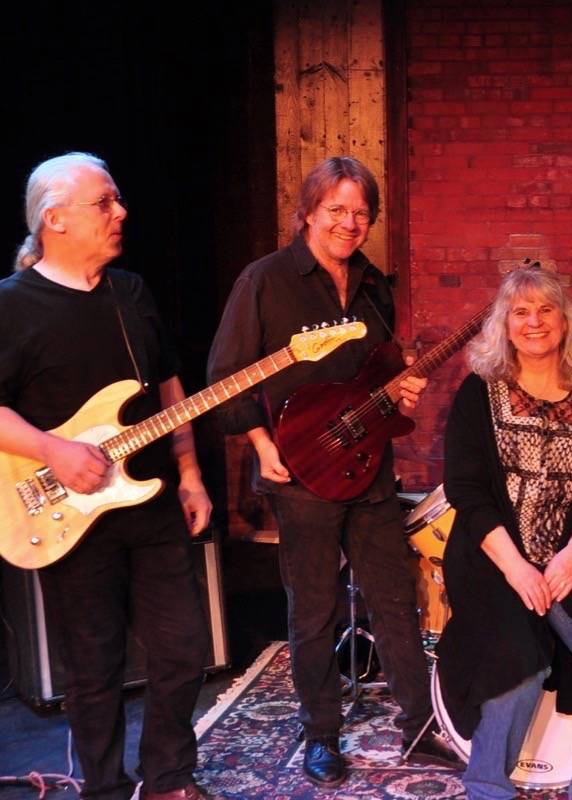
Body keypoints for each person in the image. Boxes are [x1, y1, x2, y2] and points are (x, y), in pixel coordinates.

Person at [0, 153, 212, 800]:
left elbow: (170, 386)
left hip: (150, 503)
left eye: (117, 200)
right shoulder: (7, 306)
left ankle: (168, 780)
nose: (121, 212)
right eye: (105, 203)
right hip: (71, 512)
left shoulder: (132, 293)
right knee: (93, 669)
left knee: (182, 651)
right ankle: (102, 788)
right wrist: (54, 450)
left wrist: (189, 470)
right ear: (56, 220)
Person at [206, 156, 459, 788]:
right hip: (298, 473)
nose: (350, 223)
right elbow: (222, 377)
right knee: (313, 609)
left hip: (368, 468)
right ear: (309, 213)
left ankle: (422, 725)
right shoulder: (264, 281)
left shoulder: (374, 284)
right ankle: (321, 734)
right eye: (337, 210)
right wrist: (261, 445)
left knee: (395, 600)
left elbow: (379, 374)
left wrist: (401, 393)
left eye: (361, 212)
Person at [437, 266, 572, 800]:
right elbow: (466, 491)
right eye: (521, 312)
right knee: (518, 661)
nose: (534, 322)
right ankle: (487, 786)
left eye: (546, 309)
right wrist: (518, 568)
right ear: (504, 327)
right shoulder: (477, 394)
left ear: (564, 320)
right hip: (495, 559)